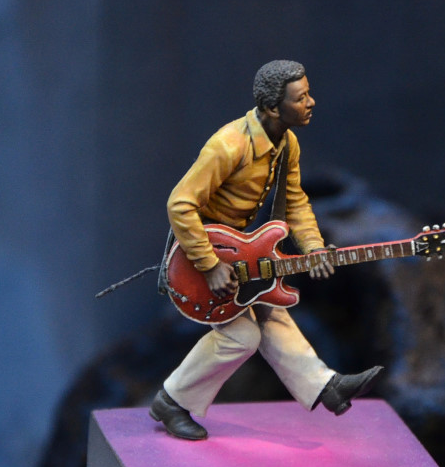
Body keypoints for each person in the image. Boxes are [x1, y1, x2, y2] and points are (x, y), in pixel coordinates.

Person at [149, 60, 382, 440]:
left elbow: (295, 201)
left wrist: (314, 247)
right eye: (301, 97)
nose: (311, 102)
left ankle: (327, 387)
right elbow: (180, 204)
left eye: (308, 94)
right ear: (273, 107)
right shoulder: (229, 145)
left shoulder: (287, 143)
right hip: (202, 259)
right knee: (242, 337)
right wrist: (209, 264)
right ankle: (171, 401)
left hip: (242, 252)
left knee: (272, 312)